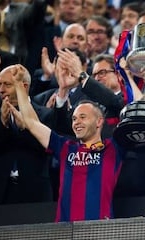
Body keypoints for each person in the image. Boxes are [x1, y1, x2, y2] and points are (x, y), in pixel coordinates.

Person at [11, 64, 124, 222]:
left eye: (83, 117)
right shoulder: (65, 148)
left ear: (99, 121)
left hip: (101, 230)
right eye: (74, 119)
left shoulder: (113, 148)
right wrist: (18, 87)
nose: (76, 122)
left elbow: (126, 106)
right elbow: (31, 122)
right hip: (65, 231)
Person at [0, 64, 55, 205]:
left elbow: (46, 148)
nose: (1, 90)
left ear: (23, 86)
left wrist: (24, 129)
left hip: (34, 191)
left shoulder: (45, 114)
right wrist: (2, 124)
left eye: (7, 84)